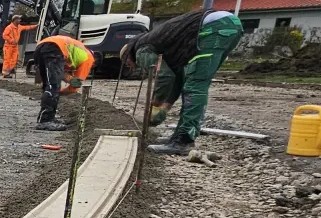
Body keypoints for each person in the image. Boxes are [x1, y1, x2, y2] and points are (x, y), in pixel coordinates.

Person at [121, 8, 245, 156]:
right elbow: (176, 79)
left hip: (213, 28)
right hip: (226, 25)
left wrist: (155, 105)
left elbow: (164, 76)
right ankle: (179, 137)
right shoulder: (163, 46)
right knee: (192, 82)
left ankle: (184, 141)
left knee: (195, 85)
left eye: (126, 62)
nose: (130, 66)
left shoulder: (141, 50)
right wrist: (165, 107)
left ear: (129, 54)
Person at [31, 34, 94, 131]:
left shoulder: (77, 51)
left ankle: (47, 117)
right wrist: (60, 92)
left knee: (49, 86)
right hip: (55, 48)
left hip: (41, 46)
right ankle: (45, 121)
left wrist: (60, 88)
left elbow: (61, 74)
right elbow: (76, 84)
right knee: (53, 86)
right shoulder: (89, 58)